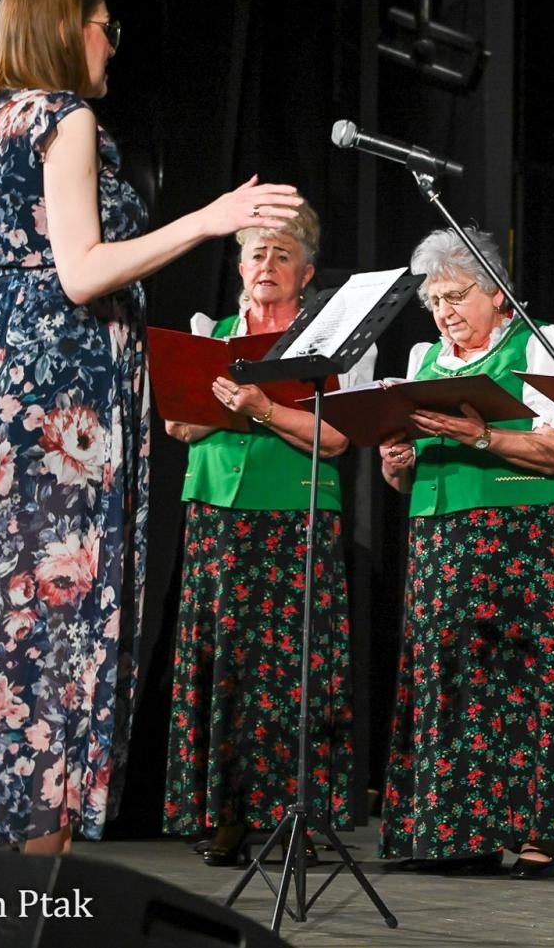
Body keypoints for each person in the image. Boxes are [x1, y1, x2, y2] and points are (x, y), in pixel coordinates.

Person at [0, 0, 300, 854]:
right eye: (104, 23)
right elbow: (80, 271)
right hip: (61, 403)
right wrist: (207, 219)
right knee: (60, 616)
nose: (111, 40)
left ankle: (5, 853)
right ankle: (39, 866)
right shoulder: (64, 118)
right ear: (67, 29)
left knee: (5, 615)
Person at [377, 227, 554, 878]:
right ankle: (458, 830)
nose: (443, 310)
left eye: (455, 294)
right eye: (434, 299)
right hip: (441, 539)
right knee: (451, 680)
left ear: (497, 293)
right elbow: (405, 479)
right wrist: (397, 461)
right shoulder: (422, 360)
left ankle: (534, 834)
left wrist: (483, 435)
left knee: (521, 680)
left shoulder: (543, 343)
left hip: (523, 534)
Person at [161, 201, 370, 866]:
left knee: (294, 671)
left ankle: (298, 814)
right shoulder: (211, 332)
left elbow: (336, 437)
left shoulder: (325, 346)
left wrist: (260, 407)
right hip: (217, 516)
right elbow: (181, 425)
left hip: (296, 514)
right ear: (239, 266)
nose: (268, 266)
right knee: (224, 666)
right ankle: (229, 812)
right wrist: (230, 413)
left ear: (306, 271)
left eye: (283, 254)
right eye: (257, 253)